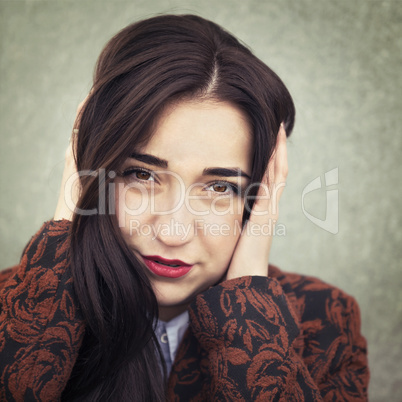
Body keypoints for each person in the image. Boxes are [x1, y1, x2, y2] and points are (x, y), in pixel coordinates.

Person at [0, 14, 369, 401]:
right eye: (141, 175)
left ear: (259, 196)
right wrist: (66, 233)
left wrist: (247, 310)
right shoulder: (19, 303)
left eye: (220, 187)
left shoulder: (323, 322)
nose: (173, 232)